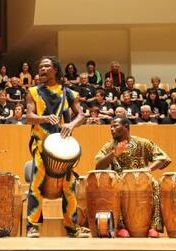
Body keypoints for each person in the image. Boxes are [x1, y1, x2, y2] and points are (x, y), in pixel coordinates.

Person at [25, 56, 88, 238]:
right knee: (36, 183)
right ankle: (32, 226)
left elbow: (81, 116)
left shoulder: (68, 93)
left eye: (46, 66)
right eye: (40, 67)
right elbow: (29, 117)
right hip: (40, 144)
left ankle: (71, 228)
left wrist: (70, 124)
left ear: (55, 70)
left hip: (62, 145)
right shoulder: (33, 92)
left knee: (69, 186)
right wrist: (44, 118)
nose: (42, 70)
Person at [95, 116, 171, 238]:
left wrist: (148, 169)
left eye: (115, 126)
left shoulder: (142, 143)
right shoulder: (109, 147)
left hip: (143, 179)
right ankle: (120, 227)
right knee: (112, 188)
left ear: (126, 126)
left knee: (155, 184)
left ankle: (154, 226)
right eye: (111, 126)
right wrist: (114, 154)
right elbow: (98, 165)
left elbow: (163, 157)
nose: (112, 129)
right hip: (120, 180)